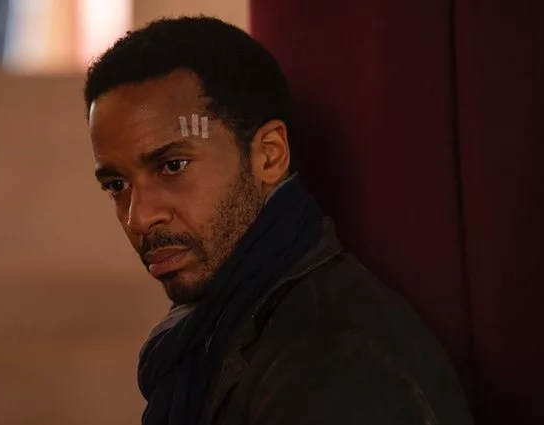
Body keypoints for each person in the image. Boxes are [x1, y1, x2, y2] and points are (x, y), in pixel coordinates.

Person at [84, 16, 473, 425]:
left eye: (173, 166)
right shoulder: (216, 336)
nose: (140, 217)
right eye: (116, 185)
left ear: (269, 155)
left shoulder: (335, 360)